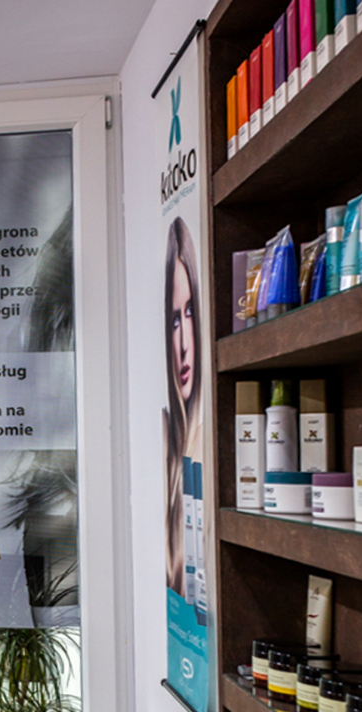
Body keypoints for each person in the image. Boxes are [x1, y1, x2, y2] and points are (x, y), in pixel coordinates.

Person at [163, 218, 203, 601]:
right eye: (174, 320)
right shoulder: (167, 439)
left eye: (190, 312)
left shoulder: (208, 437)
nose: (184, 344)